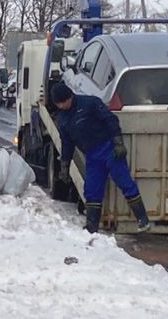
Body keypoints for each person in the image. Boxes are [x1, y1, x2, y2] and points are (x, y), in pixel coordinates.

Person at [51, 81, 150, 234]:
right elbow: (67, 143)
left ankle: (143, 219)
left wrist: (118, 142)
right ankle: (91, 227)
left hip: (108, 148)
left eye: (63, 102)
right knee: (91, 189)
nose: (62, 106)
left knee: (124, 181)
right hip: (91, 154)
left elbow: (110, 120)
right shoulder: (63, 119)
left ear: (70, 96)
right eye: (58, 104)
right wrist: (65, 165)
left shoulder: (90, 103)